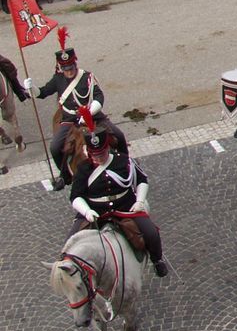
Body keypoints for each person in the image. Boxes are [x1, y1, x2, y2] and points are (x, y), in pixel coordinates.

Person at [68, 110, 168, 277]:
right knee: (70, 241)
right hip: (95, 211)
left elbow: (142, 180)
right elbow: (75, 196)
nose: (99, 158)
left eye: (102, 154)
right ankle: (72, 272)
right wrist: (86, 211)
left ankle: (157, 260)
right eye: (95, 155)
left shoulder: (123, 161)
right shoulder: (84, 169)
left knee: (151, 232)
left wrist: (140, 201)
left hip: (125, 206)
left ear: (107, 148)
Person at [29, 29, 126, 190]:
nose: (69, 71)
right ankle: (65, 176)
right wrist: (31, 88)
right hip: (69, 121)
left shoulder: (87, 77)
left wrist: (89, 113)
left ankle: (126, 164)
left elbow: (98, 97)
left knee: (119, 136)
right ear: (61, 67)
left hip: (94, 117)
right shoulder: (58, 79)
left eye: (71, 67)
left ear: (75, 63)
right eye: (66, 68)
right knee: (54, 147)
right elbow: (43, 92)